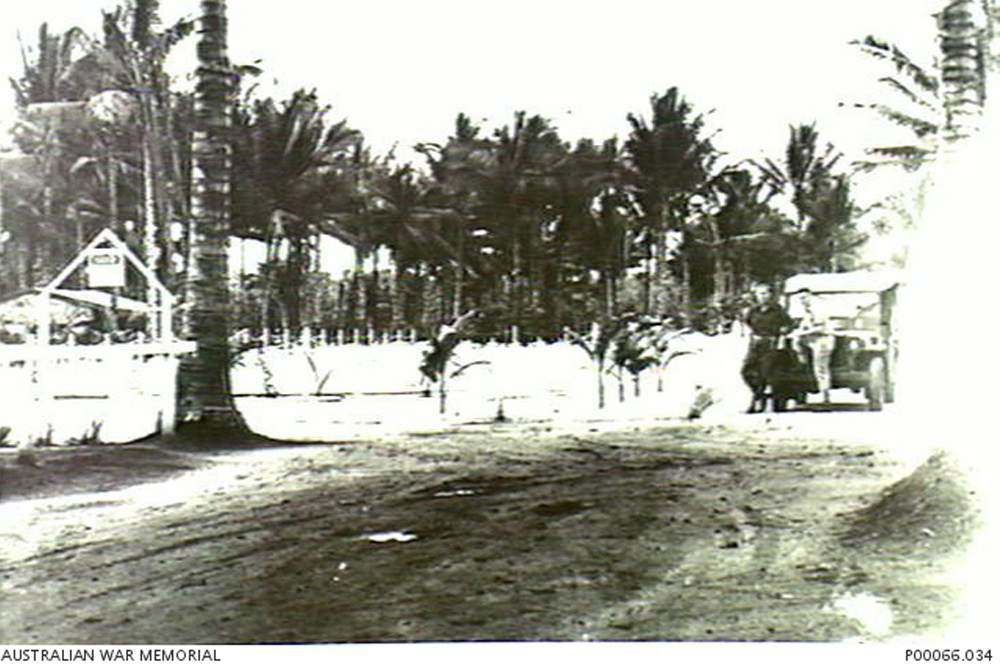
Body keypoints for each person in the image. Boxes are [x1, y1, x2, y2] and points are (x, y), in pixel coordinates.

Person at [791, 288, 835, 404]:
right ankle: (801, 363)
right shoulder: (806, 310)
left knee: (820, 367)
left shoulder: (818, 309)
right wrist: (798, 332)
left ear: (810, 296)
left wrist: (803, 332)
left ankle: (825, 393)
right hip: (810, 339)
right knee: (795, 342)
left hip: (822, 338)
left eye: (805, 298)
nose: (803, 300)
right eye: (800, 298)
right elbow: (804, 326)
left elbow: (820, 327)